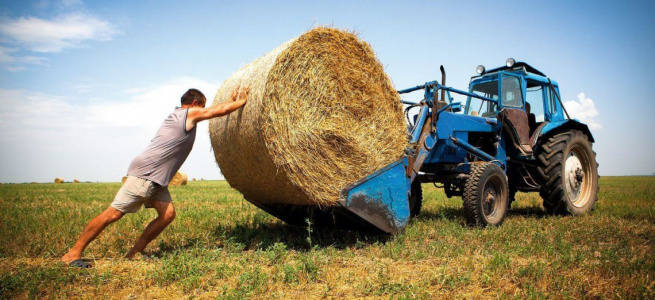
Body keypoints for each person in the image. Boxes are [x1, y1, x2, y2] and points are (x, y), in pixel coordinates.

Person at [61, 86, 248, 268]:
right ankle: (73, 254)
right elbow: (219, 111)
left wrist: (231, 101)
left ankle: (134, 253)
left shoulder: (179, 115)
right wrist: (243, 101)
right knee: (113, 213)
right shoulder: (186, 114)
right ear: (194, 103)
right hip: (147, 173)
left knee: (167, 215)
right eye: (202, 106)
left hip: (158, 177)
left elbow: (215, 109)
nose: (203, 111)